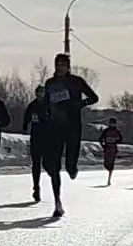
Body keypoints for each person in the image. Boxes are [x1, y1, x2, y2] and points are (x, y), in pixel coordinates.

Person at [42, 54, 100, 211]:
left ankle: (72, 169)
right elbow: (46, 102)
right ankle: (57, 202)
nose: (59, 67)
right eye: (57, 64)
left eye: (63, 65)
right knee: (53, 165)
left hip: (73, 126)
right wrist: (45, 113)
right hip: (55, 127)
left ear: (68, 67)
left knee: (70, 165)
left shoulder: (76, 81)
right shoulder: (50, 83)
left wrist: (79, 104)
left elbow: (94, 98)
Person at [20, 85, 62, 206]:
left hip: (47, 139)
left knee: (46, 163)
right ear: (36, 93)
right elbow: (26, 118)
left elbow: (55, 120)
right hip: (36, 138)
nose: (40, 95)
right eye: (38, 92)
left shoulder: (49, 105)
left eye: (42, 92)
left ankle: (52, 175)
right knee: (36, 165)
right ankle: (36, 188)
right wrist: (25, 125)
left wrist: (44, 120)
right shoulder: (32, 105)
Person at [99, 118, 123, 185]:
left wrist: (116, 141)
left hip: (113, 149)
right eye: (111, 123)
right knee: (106, 164)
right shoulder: (106, 131)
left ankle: (109, 180)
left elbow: (121, 139)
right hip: (107, 148)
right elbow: (100, 138)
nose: (112, 124)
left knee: (111, 164)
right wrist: (103, 145)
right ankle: (108, 170)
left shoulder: (117, 131)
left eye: (113, 123)